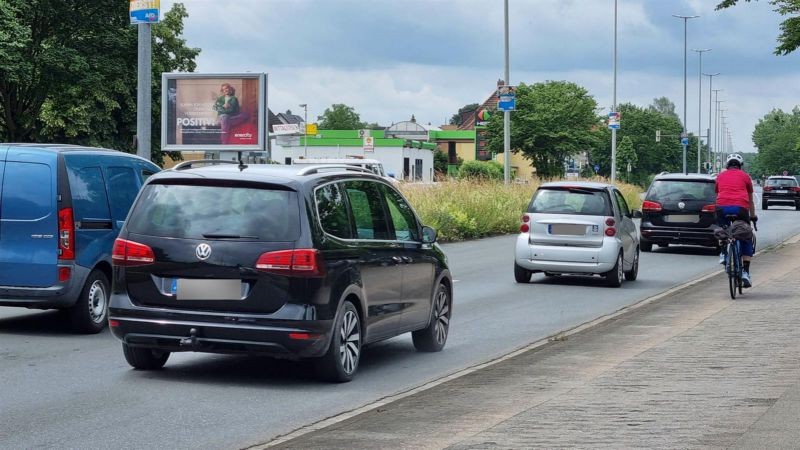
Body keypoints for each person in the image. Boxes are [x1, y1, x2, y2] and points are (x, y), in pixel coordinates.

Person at [715, 153, 758, 287]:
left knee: (723, 229)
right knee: (745, 236)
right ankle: (745, 272)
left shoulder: (720, 176)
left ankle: (723, 253)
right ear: (740, 166)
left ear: (727, 165)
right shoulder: (745, 176)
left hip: (722, 208)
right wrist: (753, 216)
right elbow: (750, 200)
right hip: (740, 208)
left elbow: (718, 193)